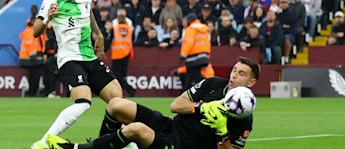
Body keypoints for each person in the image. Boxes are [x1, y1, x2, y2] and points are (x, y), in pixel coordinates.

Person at [46, 56, 259, 149]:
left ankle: (75, 148)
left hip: (181, 147)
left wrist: (222, 133)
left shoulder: (243, 117)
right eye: (234, 70)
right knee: (116, 104)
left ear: (251, 82)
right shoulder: (214, 83)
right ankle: (104, 144)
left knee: (135, 129)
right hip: (171, 127)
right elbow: (176, 106)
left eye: (241, 74)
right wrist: (202, 107)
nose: (234, 76)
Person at [31, 0, 123, 149]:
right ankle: (42, 143)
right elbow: (36, 31)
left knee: (118, 100)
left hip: (89, 56)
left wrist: (97, 34)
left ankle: (122, 143)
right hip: (70, 59)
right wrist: (48, 16)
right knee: (83, 102)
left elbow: (88, 12)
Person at [105, 7, 136, 97]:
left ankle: (129, 89)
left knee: (117, 75)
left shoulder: (114, 28)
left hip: (117, 54)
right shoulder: (130, 29)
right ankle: (121, 93)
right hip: (127, 53)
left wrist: (104, 51)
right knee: (122, 75)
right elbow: (132, 39)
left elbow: (109, 40)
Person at [180, 13, 211, 91]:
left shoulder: (190, 29)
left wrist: (183, 55)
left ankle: (187, 94)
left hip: (193, 57)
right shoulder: (204, 29)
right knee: (194, 76)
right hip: (204, 56)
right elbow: (208, 43)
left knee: (192, 76)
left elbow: (189, 43)